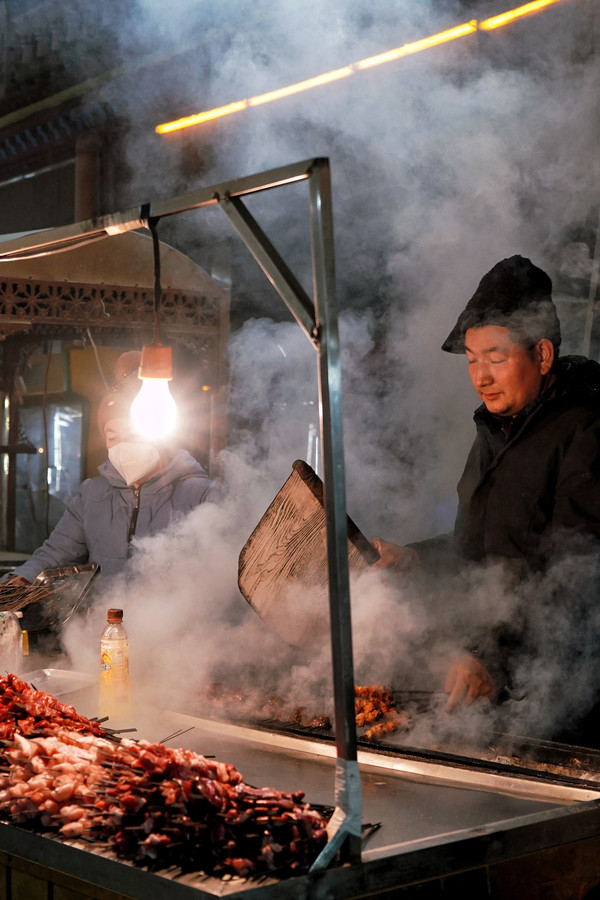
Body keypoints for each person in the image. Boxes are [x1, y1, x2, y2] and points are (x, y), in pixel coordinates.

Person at [373, 255, 600, 725]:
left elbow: (574, 578)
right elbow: (477, 547)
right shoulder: (495, 430)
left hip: (566, 700)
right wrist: (416, 558)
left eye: (496, 358)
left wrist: (490, 656)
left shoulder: (587, 430)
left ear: (542, 355)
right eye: (473, 360)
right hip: (498, 689)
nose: (481, 377)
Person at [3, 351, 220, 595]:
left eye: (133, 435)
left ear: (159, 434)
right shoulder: (92, 495)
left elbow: (220, 575)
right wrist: (17, 582)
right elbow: (53, 554)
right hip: (104, 617)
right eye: (112, 437)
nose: (123, 445)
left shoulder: (202, 495)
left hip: (175, 619)